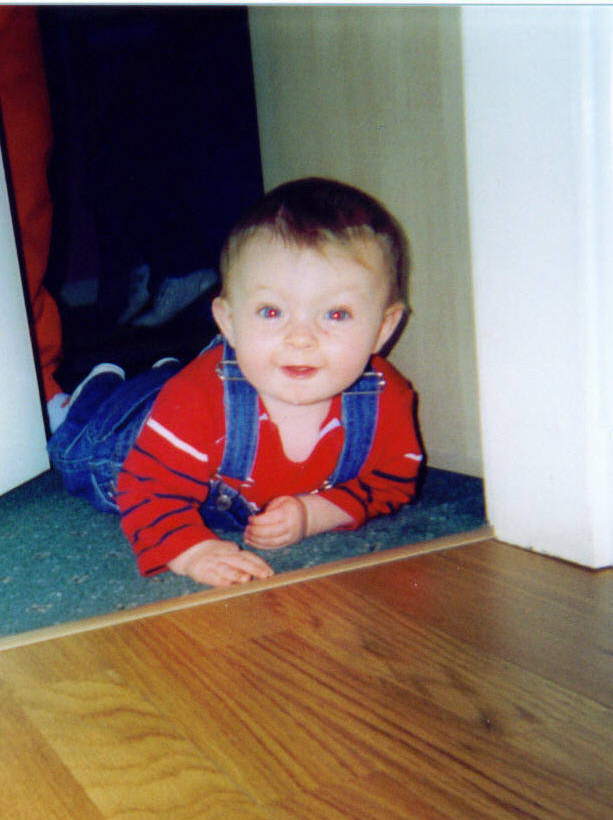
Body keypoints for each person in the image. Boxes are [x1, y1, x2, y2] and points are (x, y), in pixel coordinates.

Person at [47, 177, 423, 587]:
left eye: (336, 314)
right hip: (129, 442)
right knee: (80, 445)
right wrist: (191, 551)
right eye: (271, 312)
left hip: (184, 418)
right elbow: (146, 489)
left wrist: (315, 513)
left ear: (384, 328)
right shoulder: (197, 399)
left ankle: (161, 374)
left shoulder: (387, 400)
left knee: (169, 391)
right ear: (227, 321)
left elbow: (392, 481)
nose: (300, 339)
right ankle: (91, 396)